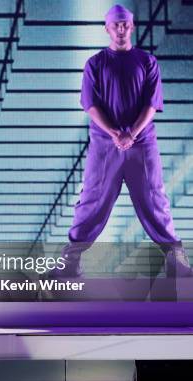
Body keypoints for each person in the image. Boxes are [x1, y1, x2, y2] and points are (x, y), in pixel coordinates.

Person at [49, 4, 191, 278]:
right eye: (116, 24)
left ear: (132, 27)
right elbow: (90, 104)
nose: (121, 29)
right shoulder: (95, 64)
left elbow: (152, 103)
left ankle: (176, 261)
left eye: (125, 24)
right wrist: (115, 133)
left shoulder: (147, 62)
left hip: (142, 144)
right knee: (92, 200)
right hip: (105, 146)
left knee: (154, 198)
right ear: (107, 29)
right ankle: (70, 262)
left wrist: (132, 133)